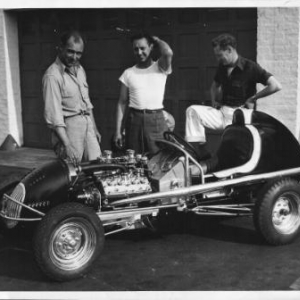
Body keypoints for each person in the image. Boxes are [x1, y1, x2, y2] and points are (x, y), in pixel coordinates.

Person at [185, 33, 282, 156]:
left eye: (219, 55)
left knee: (230, 153)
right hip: (221, 113)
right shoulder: (222, 66)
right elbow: (214, 86)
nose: (217, 59)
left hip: (239, 117)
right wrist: (214, 101)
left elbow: (276, 85)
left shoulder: (250, 67)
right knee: (192, 110)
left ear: (229, 50)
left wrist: (253, 98)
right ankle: (203, 151)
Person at [43, 30, 101, 165]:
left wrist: (94, 128)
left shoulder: (80, 70)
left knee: (97, 166)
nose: (74, 57)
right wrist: (67, 145)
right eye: (70, 51)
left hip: (87, 124)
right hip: (69, 129)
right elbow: (54, 116)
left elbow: (87, 103)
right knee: (72, 171)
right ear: (60, 48)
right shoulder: (52, 75)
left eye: (79, 53)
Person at [114, 31, 173, 155]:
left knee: (159, 158)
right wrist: (118, 131)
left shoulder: (160, 67)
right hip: (134, 120)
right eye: (136, 49)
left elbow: (168, 52)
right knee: (134, 159)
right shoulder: (128, 73)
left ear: (151, 47)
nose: (139, 52)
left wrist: (156, 40)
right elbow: (122, 102)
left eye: (143, 48)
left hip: (156, 119)